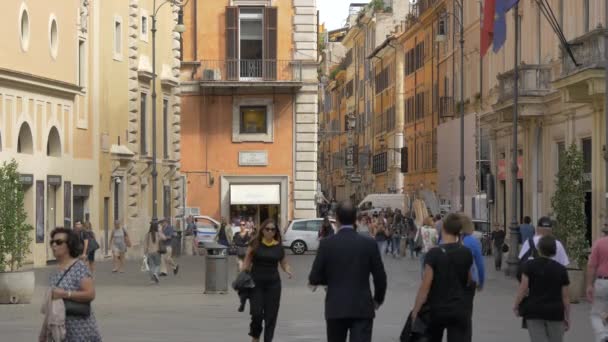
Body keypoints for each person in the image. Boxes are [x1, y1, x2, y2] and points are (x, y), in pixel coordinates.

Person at [309, 200, 387, 342]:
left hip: (336, 307)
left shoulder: (327, 244)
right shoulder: (369, 243)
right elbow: (380, 277)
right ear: (355, 218)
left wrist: (328, 281)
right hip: (362, 308)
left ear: (337, 219)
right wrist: (377, 300)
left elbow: (314, 277)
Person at [410, 213, 473, 342]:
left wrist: (416, 310)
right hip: (458, 308)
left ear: (443, 228)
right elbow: (469, 281)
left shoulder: (434, 253)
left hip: (437, 309)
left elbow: (425, 286)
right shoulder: (466, 252)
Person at [41, 227, 102, 342]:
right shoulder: (54, 271)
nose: (54, 245)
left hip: (81, 330)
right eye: (52, 242)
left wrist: (65, 294)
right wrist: (44, 333)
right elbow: (51, 305)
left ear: (69, 245)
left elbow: (90, 294)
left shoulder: (79, 267)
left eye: (58, 242)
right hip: (60, 330)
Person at [242, 219, 293, 342]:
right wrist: (243, 272)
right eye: (267, 229)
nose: (270, 231)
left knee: (271, 317)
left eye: (273, 229)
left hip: (273, 286)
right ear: (262, 230)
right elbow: (247, 260)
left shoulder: (278, 247)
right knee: (257, 313)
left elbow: (283, 262)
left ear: (276, 232)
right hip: (256, 285)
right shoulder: (255, 244)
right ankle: (255, 336)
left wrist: (287, 270)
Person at [514, 235, 570, 342]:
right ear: (554, 251)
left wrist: (516, 305)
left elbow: (523, 289)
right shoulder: (561, 270)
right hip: (555, 312)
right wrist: (567, 316)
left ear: (539, 249)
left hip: (534, 311)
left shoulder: (529, 266)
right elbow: (566, 296)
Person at [460, 214, 486, 342]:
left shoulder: (448, 239)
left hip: (451, 281)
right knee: (467, 312)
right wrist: (481, 281)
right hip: (470, 281)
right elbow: (480, 263)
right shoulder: (472, 241)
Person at [587, 224, 608, 342]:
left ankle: (602, 336)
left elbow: (591, 266)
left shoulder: (599, 243)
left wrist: (589, 284)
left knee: (596, 313)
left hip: (602, 281)